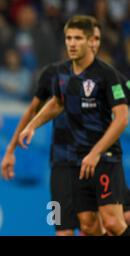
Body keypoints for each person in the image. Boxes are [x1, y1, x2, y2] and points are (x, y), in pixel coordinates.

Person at [19, 15, 130, 236]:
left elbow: (122, 118)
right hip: (77, 161)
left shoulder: (107, 75)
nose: (71, 43)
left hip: (105, 158)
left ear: (91, 41)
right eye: (69, 38)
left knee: (113, 223)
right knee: (88, 224)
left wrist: (95, 152)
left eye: (78, 38)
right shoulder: (61, 73)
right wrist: (33, 124)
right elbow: (58, 102)